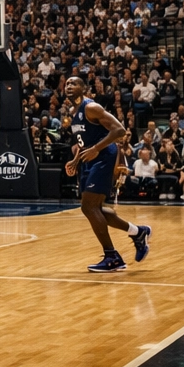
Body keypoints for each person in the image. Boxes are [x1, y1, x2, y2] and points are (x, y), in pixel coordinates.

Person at [63, 75, 150, 272]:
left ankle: (113, 257)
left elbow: (120, 130)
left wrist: (96, 148)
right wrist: (75, 160)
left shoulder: (91, 108)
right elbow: (82, 141)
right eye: (67, 83)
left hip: (103, 156)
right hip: (89, 159)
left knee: (89, 206)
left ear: (83, 88)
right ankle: (138, 232)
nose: (69, 86)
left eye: (74, 83)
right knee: (94, 209)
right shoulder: (72, 111)